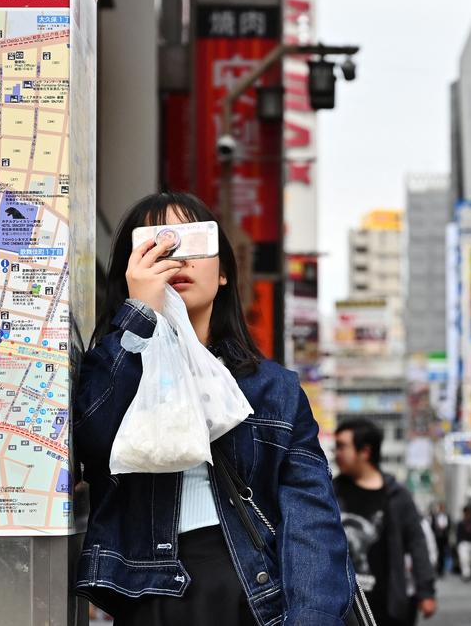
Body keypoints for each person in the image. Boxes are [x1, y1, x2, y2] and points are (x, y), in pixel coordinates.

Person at [73, 193, 354, 626]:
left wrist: (312, 618)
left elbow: (312, 521)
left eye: (191, 243)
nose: (175, 258)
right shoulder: (113, 362)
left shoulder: (273, 389)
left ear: (223, 272)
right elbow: (93, 442)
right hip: (151, 595)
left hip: (254, 593)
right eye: (156, 245)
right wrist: (140, 314)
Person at [333, 418, 438, 626]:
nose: (337, 454)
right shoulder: (330, 492)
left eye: (342, 447)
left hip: (388, 605)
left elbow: (417, 544)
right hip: (342, 606)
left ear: (365, 451)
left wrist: (426, 592)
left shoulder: (397, 495)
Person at [454, 504, 471, 583]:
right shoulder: (461, 523)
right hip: (463, 544)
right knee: (465, 560)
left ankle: (469, 573)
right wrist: (458, 544)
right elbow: (458, 535)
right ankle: (466, 575)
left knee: (470, 560)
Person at [430, 503, 451, 578]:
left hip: (444, 538)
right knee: (437, 553)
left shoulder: (447, 516)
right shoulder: (435, 517)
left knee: (443, 553)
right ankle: (438, 569)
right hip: (437, 538)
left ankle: (441, 570)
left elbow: (449, 527)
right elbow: (432, 527)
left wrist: (444, 530)